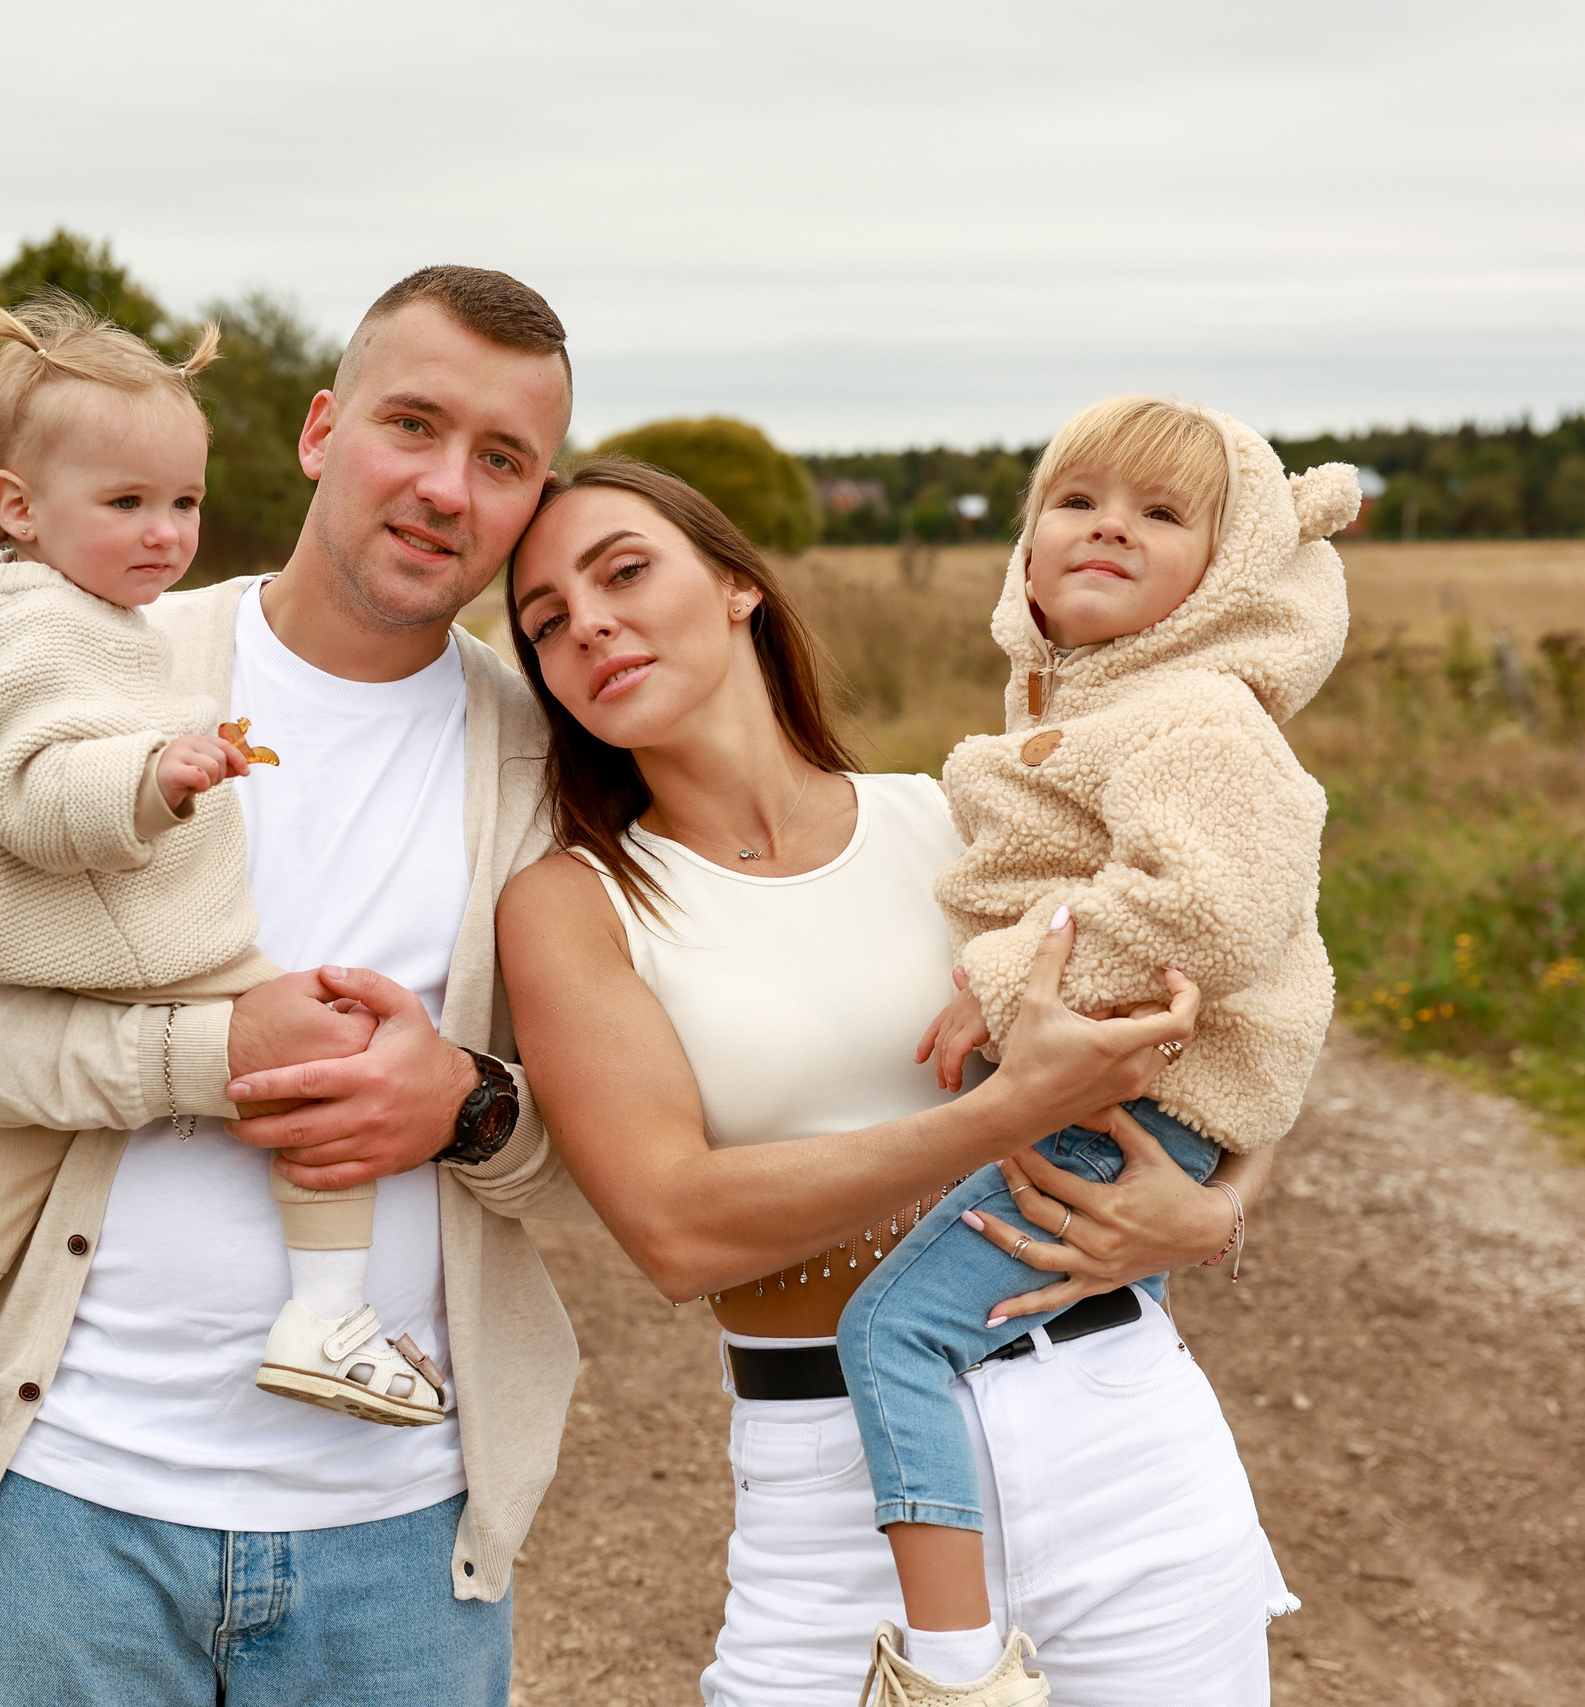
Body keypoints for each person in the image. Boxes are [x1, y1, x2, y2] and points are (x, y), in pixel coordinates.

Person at [0, 266, 584, 1706]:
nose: (443, 486)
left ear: (533, 498)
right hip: (64, 1508)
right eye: (409, 424)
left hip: (400, 1542)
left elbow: (613, 1160)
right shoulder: (90, 645)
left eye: (501, 460)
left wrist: (466, 1106)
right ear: (316, 430)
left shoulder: (554, 755)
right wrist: (212, 1054)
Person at [496, 457, 1296, 1707]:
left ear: (736, 590)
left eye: (623, 571)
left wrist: (1224, 1206)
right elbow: (673, 1228)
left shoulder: (955, 820)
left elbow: (1226, 1005)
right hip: (832, 1485)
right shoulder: (575, 905)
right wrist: (1000, 1115)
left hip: (1117, 1433)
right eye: (544, 622)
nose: (584, 622)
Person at [0, 292, 441, 1534]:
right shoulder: (73, 634)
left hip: (42, 954)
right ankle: (325, 1313)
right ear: (15, 505)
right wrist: (155, 780)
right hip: (125, 927)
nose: (164, 537)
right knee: (320, 1034)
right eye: (128, 505)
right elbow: (47, 795)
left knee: (10, 1118)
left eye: (183, 505)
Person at [834, 396, 1358, 1701]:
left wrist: (1004, 978)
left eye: (1162, 512)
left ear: (1223, 571)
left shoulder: (1197, 715)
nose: (1110, 526)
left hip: (1139, 1089)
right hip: (1138, 1090)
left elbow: (1217, 906)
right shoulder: (1095, 705)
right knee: (1062, 1290)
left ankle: (955, 1671)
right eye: (1078, 501)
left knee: (892, 1331)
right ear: (1025, 547)